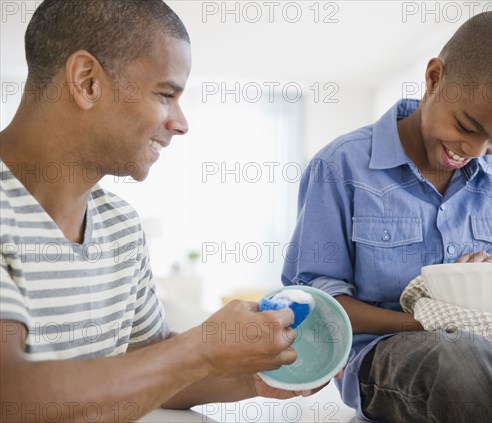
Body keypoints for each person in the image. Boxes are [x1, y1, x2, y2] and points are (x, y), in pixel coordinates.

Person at [0, 1, 324, 422]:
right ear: (87, 82)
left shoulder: (120, 226)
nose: (182, 123)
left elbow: (150, 364)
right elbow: (11, 395)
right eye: (166, 95)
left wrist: (258, 373)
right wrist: (201, 348)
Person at [282, 11, 492, 423]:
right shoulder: (340, 166)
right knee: (462, 357)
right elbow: (321, 302)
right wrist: (435, 320)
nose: (475, 149)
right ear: (434, 77)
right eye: (467, 126)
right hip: (392, 355)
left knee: (482, 356)